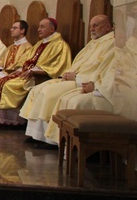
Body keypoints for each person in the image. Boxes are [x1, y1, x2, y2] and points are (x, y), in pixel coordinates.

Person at [19, 15, 115, 145]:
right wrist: (69, 73)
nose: (91, 29)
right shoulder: (93, 42)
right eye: (91, 25)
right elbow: (79, 62)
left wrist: (77, 77)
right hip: (73, 78)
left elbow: (100, 70)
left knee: (48, 93)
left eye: (95, 25)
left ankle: (51, 140)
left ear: (108, 27)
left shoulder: (111, 43)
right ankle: (37, 134)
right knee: (38, 89)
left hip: (81, 81)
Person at [0, 18, 72, 126]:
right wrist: (21, 70)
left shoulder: (59, 45)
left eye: (42, 27)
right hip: (28, 73)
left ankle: (14, 121)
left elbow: (55, 66)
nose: (38, 29)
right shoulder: (40, 43)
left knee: (8, 85)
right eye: (39, 26)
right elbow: (27, 60)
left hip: (39, 77)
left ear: (52, 28)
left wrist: (31, 71)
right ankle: (2, 119)